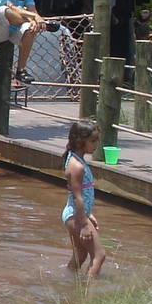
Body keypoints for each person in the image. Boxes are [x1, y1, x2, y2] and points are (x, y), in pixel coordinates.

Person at [62, 119, 106, 278]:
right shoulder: (77, 166)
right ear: (80, 142)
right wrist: (84, 223)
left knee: (80, 255)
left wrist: (88, 214)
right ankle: (89, 291)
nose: (96, 144)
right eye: (93, 141)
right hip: (76, 215)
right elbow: (77, 197)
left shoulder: (75, 159)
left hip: (76, 213)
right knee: (99, 255)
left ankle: (67, 283)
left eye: (97, 140)